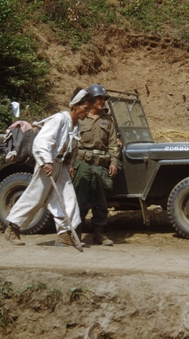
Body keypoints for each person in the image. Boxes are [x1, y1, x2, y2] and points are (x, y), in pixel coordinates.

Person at [4, 87, 94, 247]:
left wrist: (69, 164)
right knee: (36, 197)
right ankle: (13, 227)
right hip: (48, 164)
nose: (86, 112)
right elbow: (41, 142)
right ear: (75, 106)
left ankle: (64, 234)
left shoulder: (75, 125)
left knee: (69, 198)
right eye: (85, 108)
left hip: (60, 166)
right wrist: (46, 161)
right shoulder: (59, 119)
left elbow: (72, 148)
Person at [71, 84, 120, 246]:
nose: (103, 101)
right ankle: (76, 233)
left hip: (100, 166)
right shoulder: (80, 117)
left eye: (104, 99)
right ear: (90, 100)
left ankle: (99, 234)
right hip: (82, 164)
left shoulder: (107, 120)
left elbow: (113, 143)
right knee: (80, 199)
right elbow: (72, 143)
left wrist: (113, 162)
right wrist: (71, 164)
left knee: (100, 202)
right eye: (99, 98)